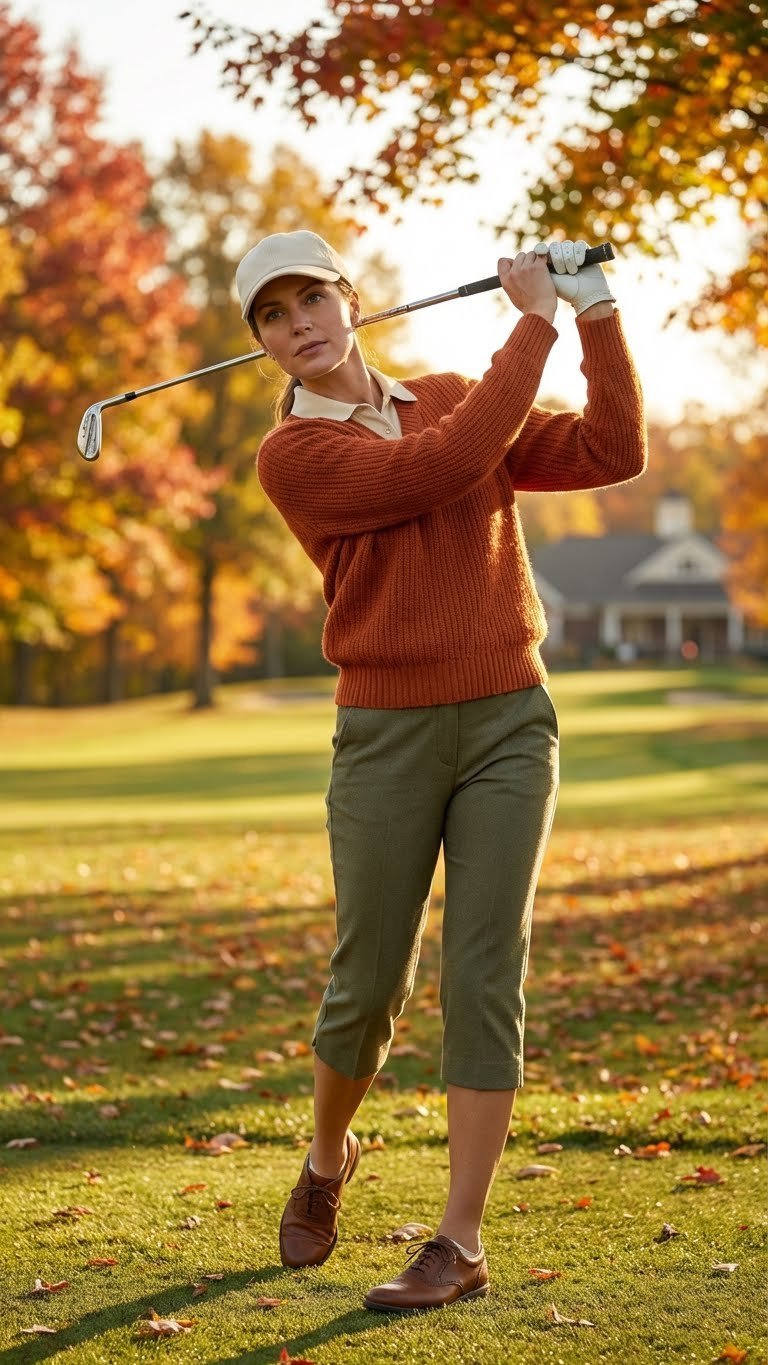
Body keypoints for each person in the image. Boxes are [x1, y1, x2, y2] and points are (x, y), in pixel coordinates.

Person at [235, 229, 646, 1313]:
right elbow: (435, 469)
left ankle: (458, 1241)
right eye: (273, 315)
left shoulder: (460, 396)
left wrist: (594, 309)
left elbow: (613, 451)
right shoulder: (293, 455)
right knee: (370, 978)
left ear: (351, 300)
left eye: (311, 299)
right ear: (263, 340)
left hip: (510, 716)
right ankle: (329, 1155)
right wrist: (533, 321)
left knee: (485, 971)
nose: (298, 325)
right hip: (387, 732)